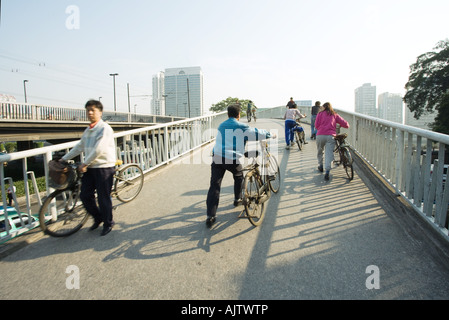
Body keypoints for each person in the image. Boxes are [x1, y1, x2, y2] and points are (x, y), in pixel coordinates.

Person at [205, 104, 275, 228]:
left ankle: (210, 215)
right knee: (238, 176)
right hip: (232, 158)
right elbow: (256, 133)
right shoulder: (241, 126)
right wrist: (270, 134)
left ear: (227, 114)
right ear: (239, 115)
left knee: (215, 185)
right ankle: (237, 199)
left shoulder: (222, 125)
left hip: (217, 157)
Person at [61, 100, 117, 236]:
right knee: (85, 195)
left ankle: (108, 223)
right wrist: (64, 158)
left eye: (93, 110)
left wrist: (84, 163)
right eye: (88, 110)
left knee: (103, 197)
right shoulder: (88, 129)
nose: (90, 113)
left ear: (100, 112)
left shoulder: (105, 128)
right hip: (91, 167)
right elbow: (80, 146)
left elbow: (99, 149)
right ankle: (98, 217)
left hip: (103, 167)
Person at [314, 102, 349, 181]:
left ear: (323, 107)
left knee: (320, 150)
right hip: (331, 136)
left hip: (320, 135)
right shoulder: (334, 114)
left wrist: (322, 128)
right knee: (329, 153)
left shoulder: (319, 114)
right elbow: (346, 124)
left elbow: (316, 126)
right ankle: (327, 171)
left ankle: (320, 165)